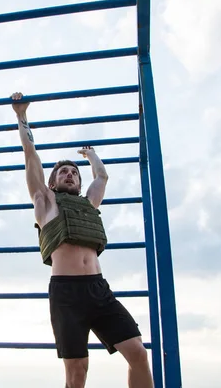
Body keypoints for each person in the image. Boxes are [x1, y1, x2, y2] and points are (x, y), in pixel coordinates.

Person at [11, 92, 154, 388]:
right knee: (77, 374)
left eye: (74, 173)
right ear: (53, 182)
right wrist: (21, 116)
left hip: (99, 289)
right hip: (67, 294)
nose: (70, 174)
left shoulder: (89, 203)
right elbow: (31, 156)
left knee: (138, 353)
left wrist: (89, 154)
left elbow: (101, 177)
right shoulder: (45, 200)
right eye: (63, 171)